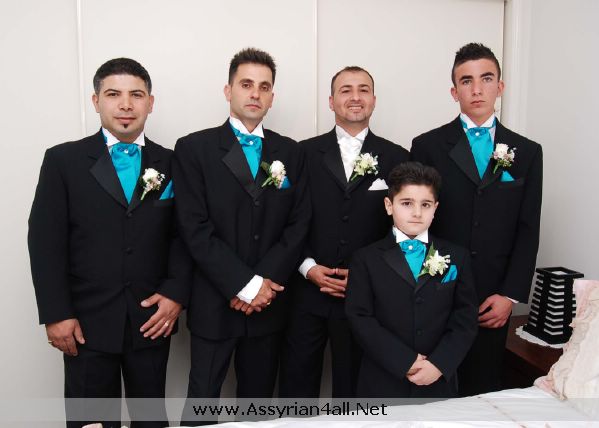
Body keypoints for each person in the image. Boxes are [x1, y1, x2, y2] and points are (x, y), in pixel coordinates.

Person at [28, 58, 191, 428]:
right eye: (114, 94)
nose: (126, 105)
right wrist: (56, 314)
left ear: (151, 102)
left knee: (151, 421)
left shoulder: (172, 162)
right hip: (85, 323)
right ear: (96, 100)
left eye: (137, 95)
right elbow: (45, 242)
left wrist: (175, 294)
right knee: (91, 422)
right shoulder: (62, 160)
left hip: (152, 319)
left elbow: (184, 236)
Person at [173, 48, 310, 424]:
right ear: (228, 90)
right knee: (202, 403)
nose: (255, 93)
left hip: (269, 304)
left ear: (272, 97)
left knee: (258, 408)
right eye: (246, 84)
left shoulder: (291, 152)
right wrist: (244, 285)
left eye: (264, 87)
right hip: (215, 301)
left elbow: (298, 224)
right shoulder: (194, 148)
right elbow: (194, 228)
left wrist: (263, 285)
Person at [411, 42, 543, 396]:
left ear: (500, 86)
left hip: (492, 297)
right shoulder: (427, 146)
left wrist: (510, 295)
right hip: (437, 290)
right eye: (466, 81)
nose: (477, 89)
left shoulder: (527, 152)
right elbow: (414, 222)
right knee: (433, 390)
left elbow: (528, 228)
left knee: (483, 389)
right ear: (454, 92)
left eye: (486, 79)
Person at [279, 66, 409, 398]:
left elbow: (405, 228)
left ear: (374, 100)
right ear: (331, 101)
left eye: (363, 90)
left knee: (354, 391)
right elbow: (286, 219)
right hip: (306, 292)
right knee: (296, 387)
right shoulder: (302, 153)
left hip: (366, 298)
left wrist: (369, 274)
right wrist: (308, 268)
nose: (355, 97)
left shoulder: (398, 157)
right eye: (346, 90)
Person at [345, 162, 478, 399]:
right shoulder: (365, 259)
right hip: (382, 381)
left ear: (435, 208)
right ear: (389, 205)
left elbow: (465, 318)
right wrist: (404, 361)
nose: (417, 213)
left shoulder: (457, 256)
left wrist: (439, 364)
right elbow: (360, 318)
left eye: (425, 205)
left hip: (438, 381)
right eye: (407, 203)